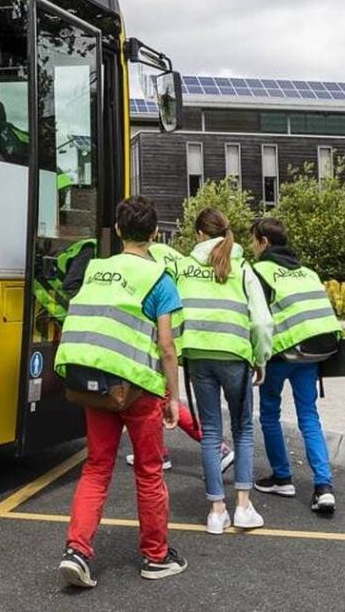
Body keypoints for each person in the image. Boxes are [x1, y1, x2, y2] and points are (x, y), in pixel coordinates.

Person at [54, 196, 188, 588]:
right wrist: (173, 397)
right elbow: (167, 346)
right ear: (155, 233)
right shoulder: (160, 279)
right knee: (149, 471)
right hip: (137, 388)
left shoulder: (96, 270)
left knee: (97, 467)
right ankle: (156, 556)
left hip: (92, 380)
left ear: (117, 230)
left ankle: (77, 551)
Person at [175, 209, 274, 534]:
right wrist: (261, 358)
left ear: (200, 235)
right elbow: (261, 322)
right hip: (234, 355)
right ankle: (243, 507)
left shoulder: (184, 267)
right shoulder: (242, 267)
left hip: (198, 355)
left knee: (211, 433)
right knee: (243, 429)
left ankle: (216, 511)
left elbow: (173, 313)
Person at [249, 218, 344, 515]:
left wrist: (256, 358)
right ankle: (324, 487)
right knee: (309, 416)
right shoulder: (307, 271)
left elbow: (258, 317)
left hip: (281, 353)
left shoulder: (259, 271)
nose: (251, 246)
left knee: (269, 414)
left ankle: (282, 477)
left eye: (253, 240)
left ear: (264, 242)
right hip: (314, 351)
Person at [125, 240, 235, 474]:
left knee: (163, 397)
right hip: (174, 326)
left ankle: (219, 449)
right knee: (157, 397)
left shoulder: (147, 256)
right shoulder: (168, 252)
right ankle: (160, 452)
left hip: (159, 330)